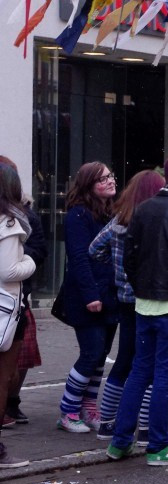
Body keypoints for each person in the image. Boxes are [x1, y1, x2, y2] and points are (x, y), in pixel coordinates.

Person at [105, 152, 168, 465]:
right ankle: (159, 445)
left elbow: (130, 260)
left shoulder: (143, 209)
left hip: (144, 304)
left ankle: (120, 441)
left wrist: (141, 289)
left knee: (139, 372)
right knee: (166, 377)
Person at [88, 169, 166, 438]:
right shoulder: (152, 222)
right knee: (149, 363)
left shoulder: (119, 220)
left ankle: (108, 422)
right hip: (148, 299)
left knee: (125, 359)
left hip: (124, 297)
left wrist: (116, 271)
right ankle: (145, 427)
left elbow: (94, 249)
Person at [57, 162, 118, 433]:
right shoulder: (78, 216)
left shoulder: (110, 214)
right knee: (91, 352)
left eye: (110, 176)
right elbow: (79, 259)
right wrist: (91, 295)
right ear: (89, 185)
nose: (110, 181)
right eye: (103, 179)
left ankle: (89, 406)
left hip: (110, 294)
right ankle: (68, 410)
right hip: (88, 296)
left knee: (102, 353)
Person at [0, 156, 46, 428]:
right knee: (4, 375)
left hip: (12, 303)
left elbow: (39, 247)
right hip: (6, 306)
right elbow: (9, 271)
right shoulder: (10, 222)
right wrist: (27, 262)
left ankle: (12, 406)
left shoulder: (24, 217)